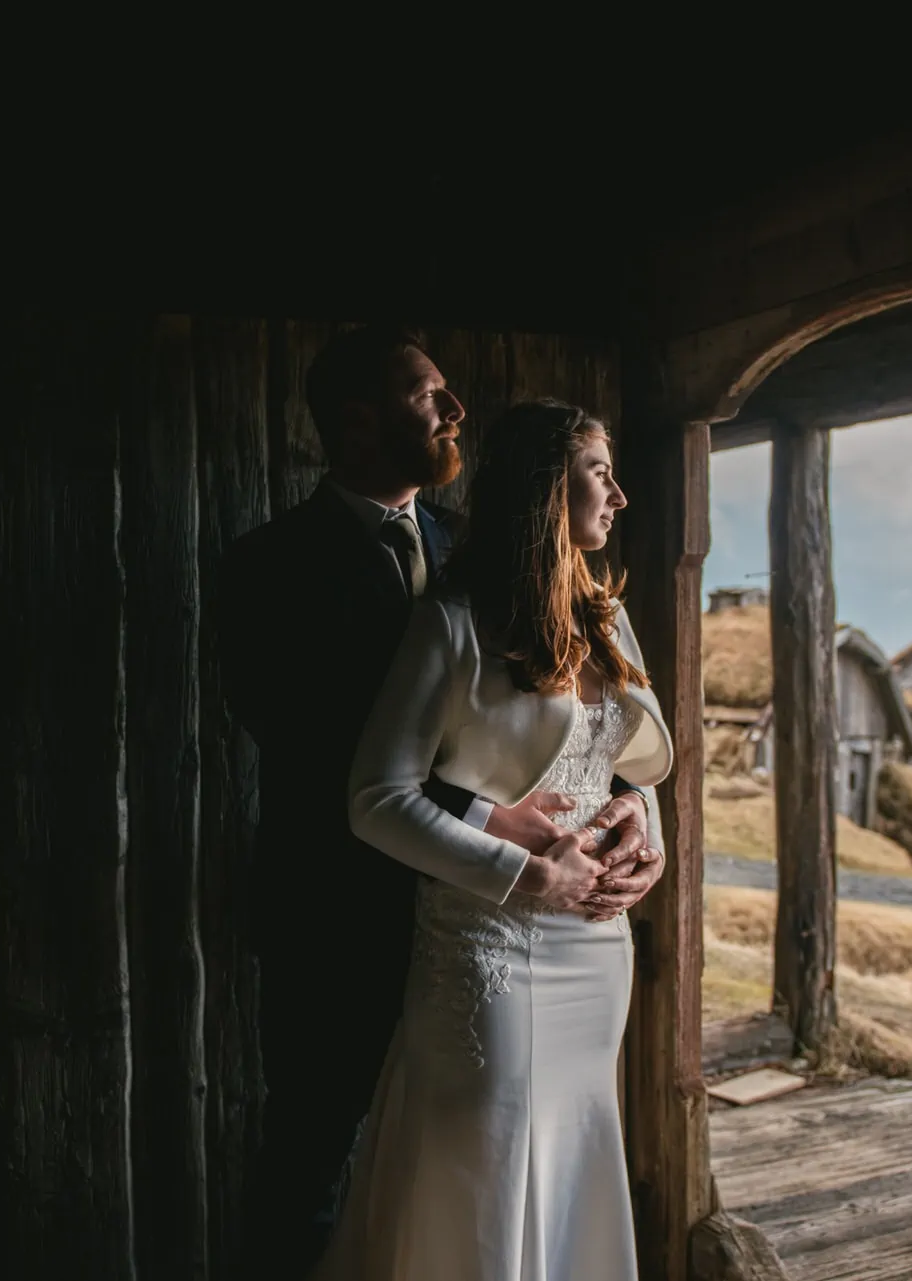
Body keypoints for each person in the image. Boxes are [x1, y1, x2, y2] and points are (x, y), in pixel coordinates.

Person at [220, 331, 663, 1278]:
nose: (454, 410)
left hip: (518, 921)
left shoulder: (488, 547)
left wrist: (627, 811)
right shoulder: (268, 567)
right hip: (343, 913)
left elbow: (562, 730)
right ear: (358, 421)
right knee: (318, 1161)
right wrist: (493, 823)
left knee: (503, 1157)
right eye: (428, 396)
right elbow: (318, 748)